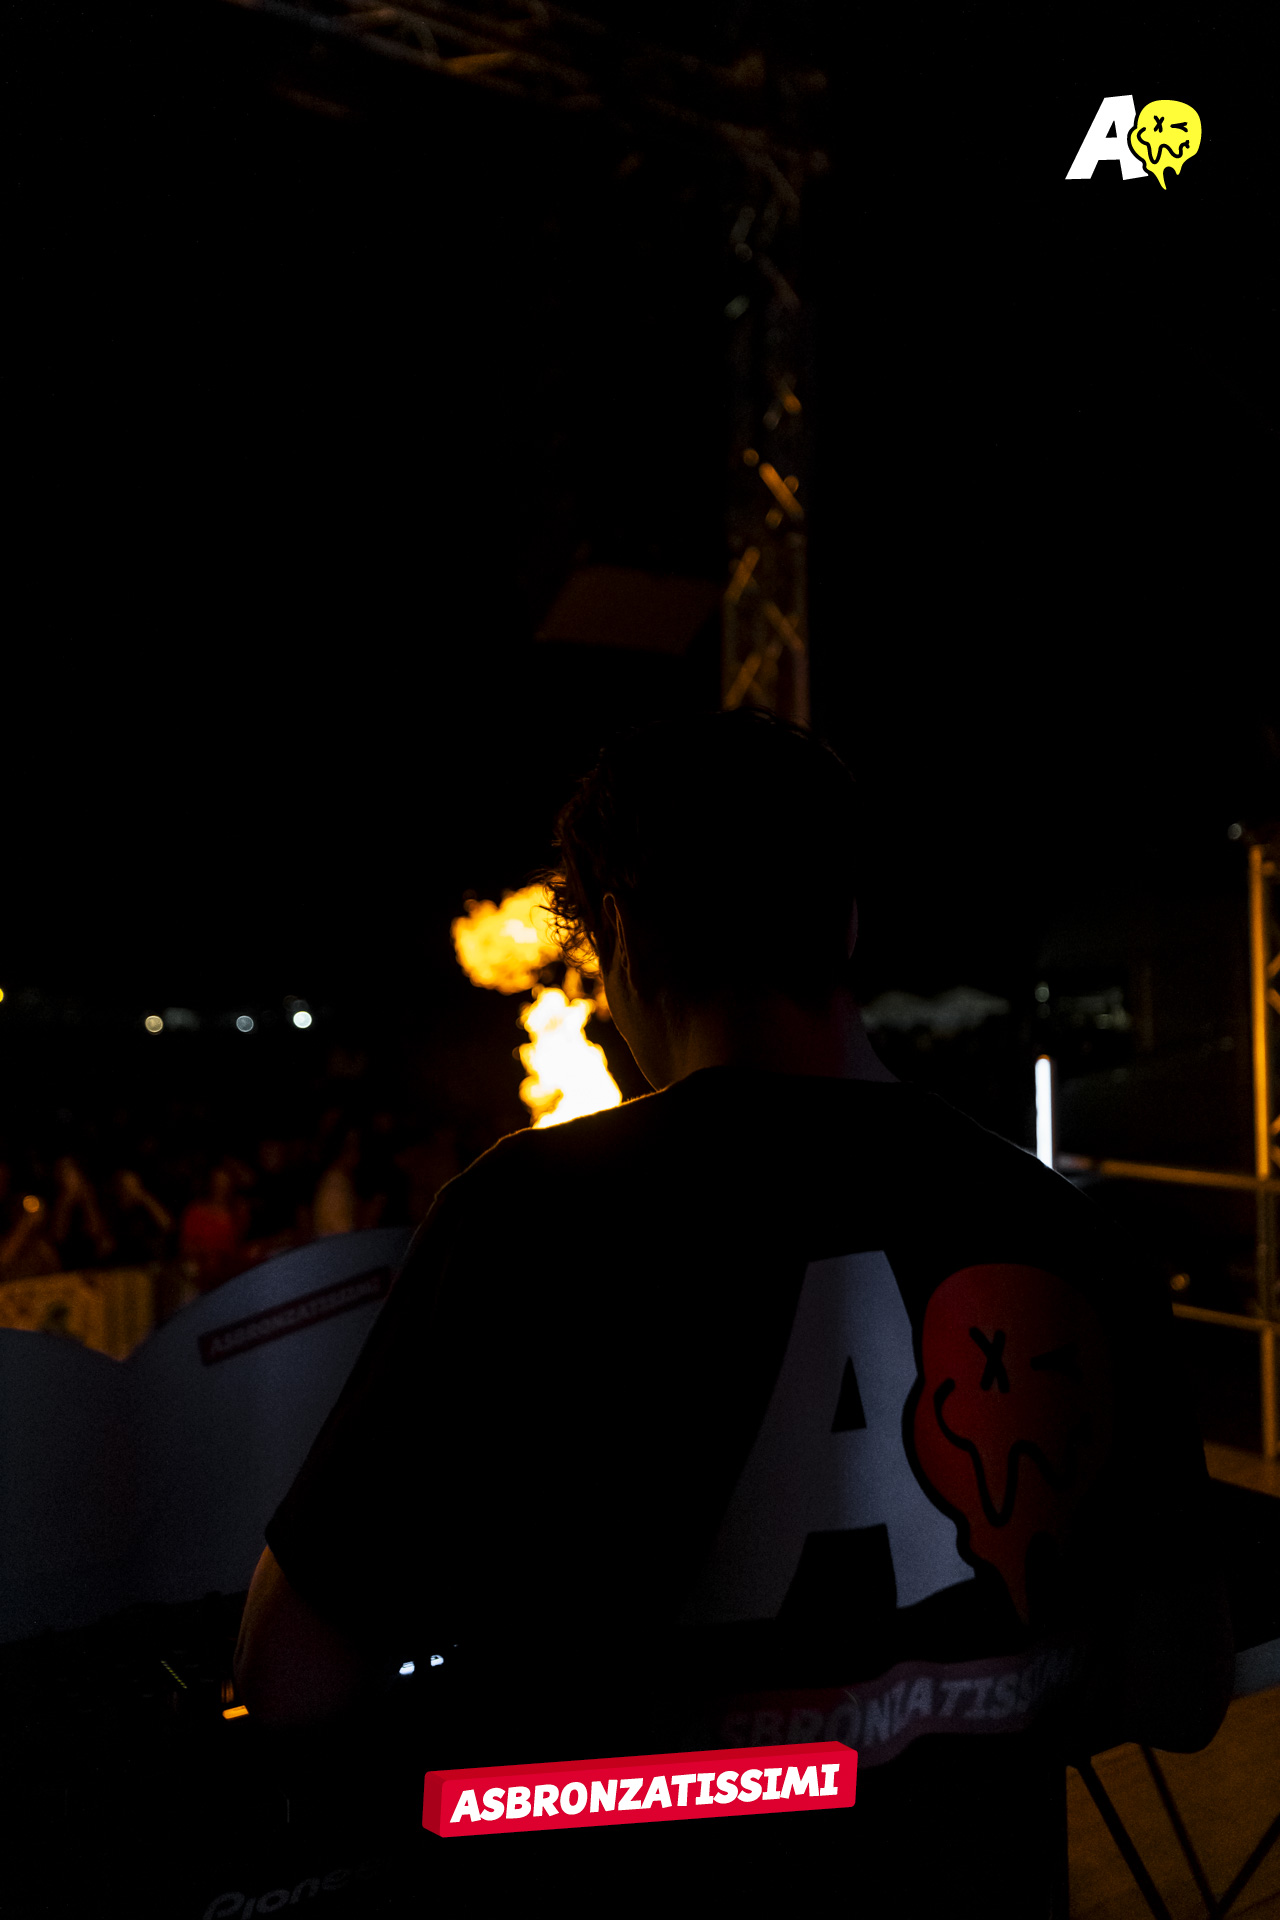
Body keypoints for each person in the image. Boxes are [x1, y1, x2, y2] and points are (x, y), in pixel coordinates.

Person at [234, 710, 1232, 1917]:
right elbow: (1179, 1685)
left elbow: (288, 1675)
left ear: (618, 934)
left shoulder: (521, 1217)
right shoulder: (1059, 1226)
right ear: (845, 921)